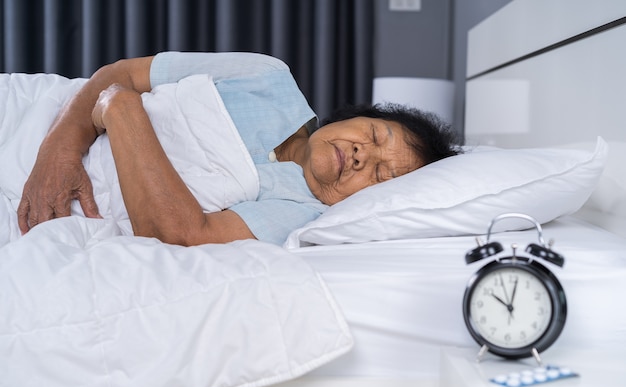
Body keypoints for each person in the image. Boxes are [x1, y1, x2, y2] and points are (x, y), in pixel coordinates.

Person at [15, 52, 460, 246]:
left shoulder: (299, 214)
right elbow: (120, 73)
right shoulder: (267, 76)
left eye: (380, 175)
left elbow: (182, 235)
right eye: (376, 135)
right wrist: (58, 152)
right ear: (355, 115)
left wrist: (123, 111)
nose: (364, 155)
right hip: (31, 120)